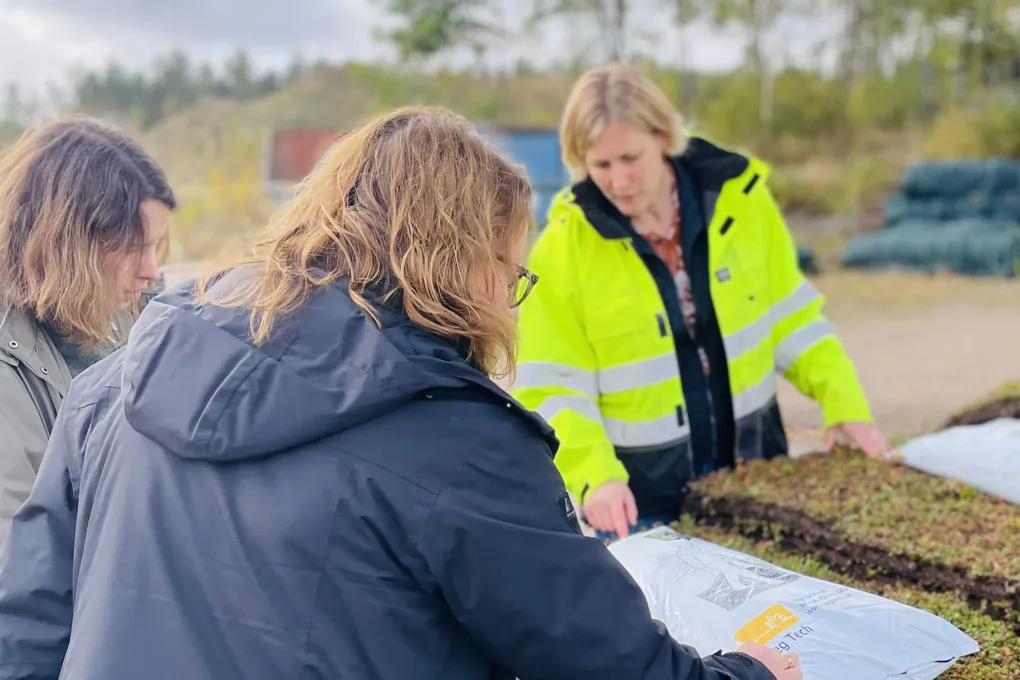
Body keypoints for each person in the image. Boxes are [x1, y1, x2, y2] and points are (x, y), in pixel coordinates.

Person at [0, 105, 798, 680]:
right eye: (507, 269)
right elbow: (610, 662)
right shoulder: (460, 444)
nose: (507, 294)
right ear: (455, 263)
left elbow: (29, 635)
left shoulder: (110, 388)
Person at [512, 62, 888, 543]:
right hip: (643, 503)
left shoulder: (740, 200)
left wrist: (845, 403)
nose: (619, 180)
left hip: (758, 477)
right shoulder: (563, 246)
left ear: (663, 136)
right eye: (600, 166)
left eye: (631, 158)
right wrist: (595, 474)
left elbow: (792, 320)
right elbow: (552, 384)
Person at [0, 116, 174, 546]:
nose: (152, 272)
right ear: (65, 246)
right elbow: (19, 563)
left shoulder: (134, 309)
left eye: (155, 246)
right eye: (133, 249)